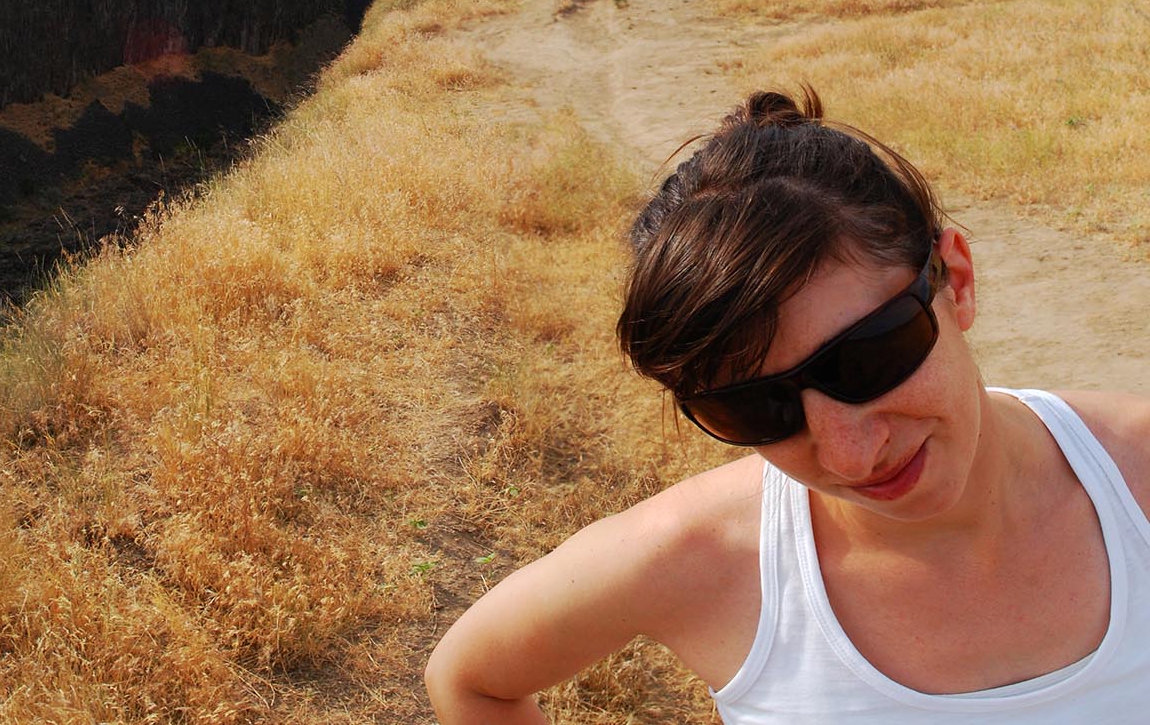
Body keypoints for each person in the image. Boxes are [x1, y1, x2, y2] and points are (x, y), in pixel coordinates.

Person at [426, 89, 1150, 721]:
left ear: (955, 279)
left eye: (869, 359)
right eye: (759, 412)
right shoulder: (698, 557)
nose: (848, 454)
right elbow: (469, 680)